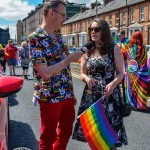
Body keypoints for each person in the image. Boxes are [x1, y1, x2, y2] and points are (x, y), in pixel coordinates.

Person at [28, 0, 84, 149]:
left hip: (66, 94)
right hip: (49, 96)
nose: (65, 19)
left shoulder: (58, 35)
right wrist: (70, 59)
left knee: (65, 132)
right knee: (48, 136)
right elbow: (45, 73)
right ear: (52, 13)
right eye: (63, 15)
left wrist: (71, 93)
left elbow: (65, 69)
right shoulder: (36, 38)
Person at [72, 18, 128, 150]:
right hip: (91, 97)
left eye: (97, 29)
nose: (93, 32)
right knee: (95, 136)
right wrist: (87, 79)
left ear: (104, 31)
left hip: (109, 96)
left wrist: (113, 84)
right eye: (91, 29)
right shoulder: (87, 51)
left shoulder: (114, 49)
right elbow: (82, 73)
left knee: (108, 138)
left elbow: (121, 73)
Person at [125, 31, 148, 110]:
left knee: (131, 87)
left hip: (131, 71)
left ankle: (131, 103)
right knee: (140, 89)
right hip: (142, 72)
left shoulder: (130, 48)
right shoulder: (144, 48)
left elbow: (128, 59)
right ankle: (140, 105)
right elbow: (144, 60)